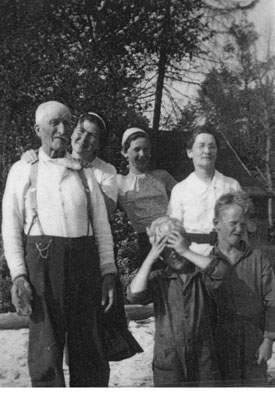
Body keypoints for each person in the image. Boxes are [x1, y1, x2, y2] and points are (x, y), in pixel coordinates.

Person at [2, 101, 117, 387]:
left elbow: (102, 228)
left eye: (67, 122)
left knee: (90, 350)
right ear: (37, 128)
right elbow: (10, 227)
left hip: (85, 268)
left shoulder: (84, 171)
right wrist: (19, 275)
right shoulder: (23, 170)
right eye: (54, 122)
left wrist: (109, 272)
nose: (63, 129)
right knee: (46, 353)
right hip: (43, 267)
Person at [127, 215, 227, 387]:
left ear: (186, 241)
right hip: (169, 362)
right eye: (165, 247)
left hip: (203, 360)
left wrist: (186, 251)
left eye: (176, 243)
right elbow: (134, 295)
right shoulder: (158, 278)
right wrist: (151, 256)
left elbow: (222, 273)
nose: (173, 252)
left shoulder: (202, 274)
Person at [210, 191, 275, 386]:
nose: (238, 229)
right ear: (217, 223)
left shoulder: (258, 259)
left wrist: (268, 341)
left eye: (242, 224)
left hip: (253, 344)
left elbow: (272, 302)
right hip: (219, 345)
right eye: (232, 223)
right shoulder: (206, 263)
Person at [22, 111, 118, 219]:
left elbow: (108, 209)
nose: (84, 138)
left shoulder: (107, 170)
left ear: (99, 144)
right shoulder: (57, 159)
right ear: (72, 133)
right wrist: (29, 158)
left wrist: (87, 175)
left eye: (92, 136)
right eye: (81, 131)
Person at [168, 125, 241, 256]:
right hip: (194, 258)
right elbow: (175, 232)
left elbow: (242, 227)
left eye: (212, 146)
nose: (207, 151)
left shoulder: (232, 186)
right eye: (201, 145)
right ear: (189, 152)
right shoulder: (180, 190)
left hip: (229, 257)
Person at [118, 127, 177, 267]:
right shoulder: (119, 181)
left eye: (146, 149)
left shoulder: (162, 175)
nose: (142, 154)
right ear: (125, 152)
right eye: (136, 149)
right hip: (147, 242)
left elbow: (187, 195)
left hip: (173, 236)